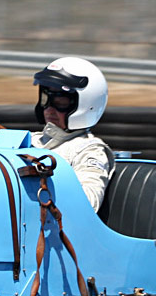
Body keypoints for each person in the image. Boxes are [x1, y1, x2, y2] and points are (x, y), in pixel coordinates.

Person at [31, 57, 114, 212]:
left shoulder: (89, 150)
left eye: (60, 102)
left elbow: (89, 203)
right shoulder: (31, 140)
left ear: (85, 104)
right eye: (45, 98)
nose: (48, 109)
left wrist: (40, 184)